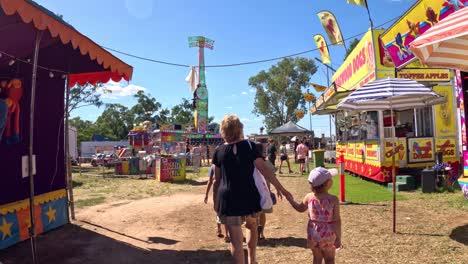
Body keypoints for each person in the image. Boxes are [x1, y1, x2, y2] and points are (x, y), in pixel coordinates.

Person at [213, 114, 291, 264]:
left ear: (223, 131)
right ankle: (252, 260)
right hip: (249, 195)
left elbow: (217, 180)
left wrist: (215, 201)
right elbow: (264, 169)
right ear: (240, 129)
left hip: (227, 198)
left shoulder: (218, 151)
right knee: (252, 225)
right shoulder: (251, 146)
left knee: (235, 241)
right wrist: (279, 187)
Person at [286, 167, 342, 264]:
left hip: (313, 233)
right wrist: (338, 238)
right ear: (327, 184)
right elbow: (336, 220)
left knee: (317, 258)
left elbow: (300, 208)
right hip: (327, 234)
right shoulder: (333, 199)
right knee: (329, 259)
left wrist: (291, 200)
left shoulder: (309, 197)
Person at [254, 142, 281, 240]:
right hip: (262, 193)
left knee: (257, 214)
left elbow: (272, 175)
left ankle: (259, 233)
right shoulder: (265, 163)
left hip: (260, 192)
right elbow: (273, 174)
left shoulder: (253, 163)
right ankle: (259, 233)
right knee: (260, 214)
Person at [204, 164, 230, 242]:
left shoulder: (213, 166)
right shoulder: (227, 164)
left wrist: (206, 194)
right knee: (226, 212)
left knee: (218, 210)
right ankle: (226, 234)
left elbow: (210, 181)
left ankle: (219, 230)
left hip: (217, 190)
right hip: (226, 190)